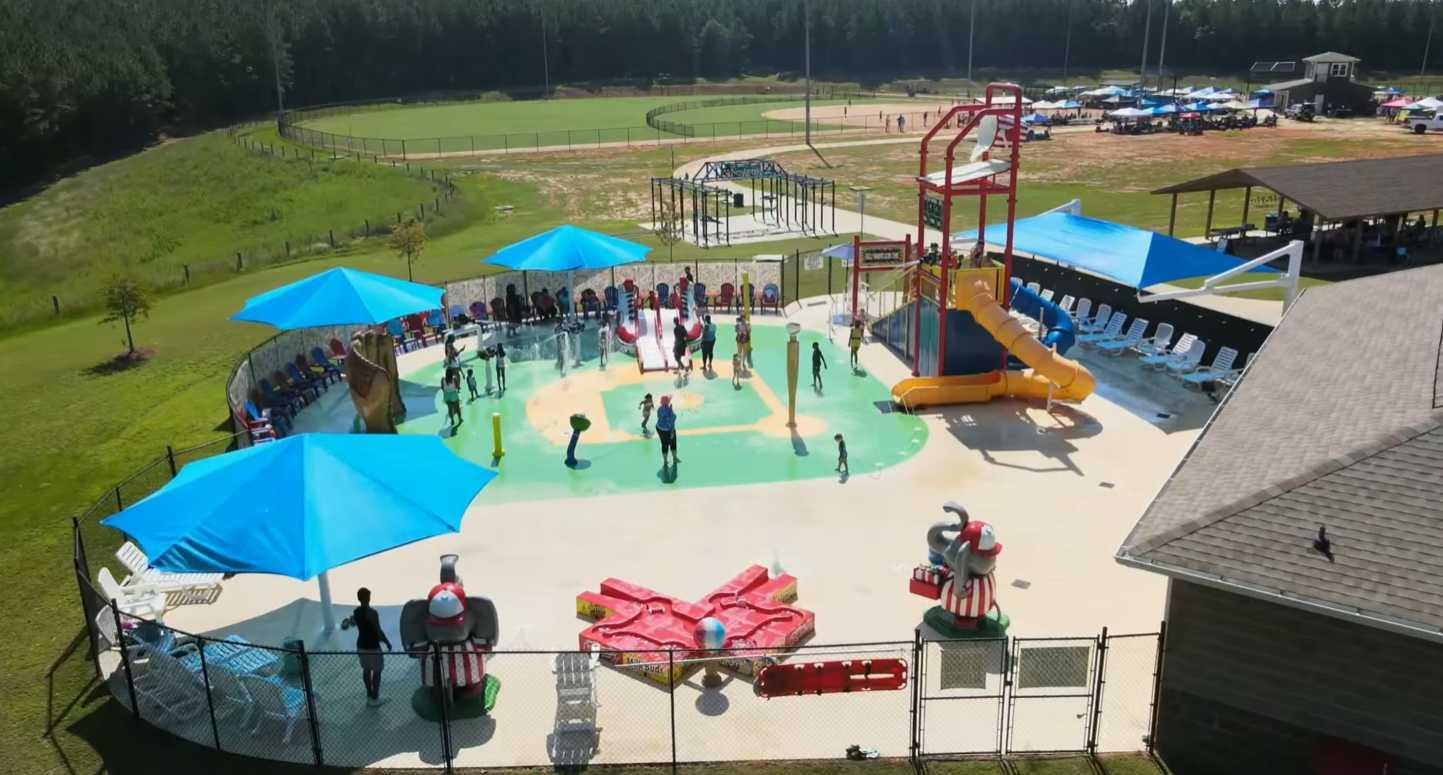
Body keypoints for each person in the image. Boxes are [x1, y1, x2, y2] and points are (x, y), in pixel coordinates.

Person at [341, 587, 392, 707]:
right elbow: (378, 631)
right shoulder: (373, 613)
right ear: (368, 598)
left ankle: (369, 695)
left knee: (366, 669)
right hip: (373, 646)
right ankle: (375, 697)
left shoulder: (356, 612)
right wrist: (387, 642)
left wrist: (348, 622)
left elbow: (352, 623)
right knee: (377, 671)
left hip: (361, 645)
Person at [656, 395, 678, 466]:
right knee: (673, 443)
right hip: (668, 430)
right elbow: (671, 423)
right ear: (668, 402)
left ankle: (665, 461)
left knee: (664, 444)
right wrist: (671, 432)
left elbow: (658, 416)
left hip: (659, 428)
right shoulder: (670, 411)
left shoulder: (660, 408)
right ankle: (674, 458)